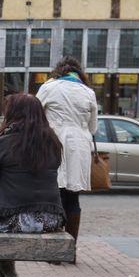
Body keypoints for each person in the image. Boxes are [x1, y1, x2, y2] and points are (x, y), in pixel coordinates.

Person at [0, 93, 65, 277]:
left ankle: (7, 274)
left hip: (13, 219)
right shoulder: (53, 141)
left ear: (13, 114)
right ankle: (8, 275)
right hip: (51, 219)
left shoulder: (5, 141)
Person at [35, 56, 98, 242]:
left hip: (53, 144)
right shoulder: (88, 92)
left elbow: (35, 114)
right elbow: (93, 128)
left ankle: (56, 247)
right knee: (73, 198)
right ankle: (71, 248)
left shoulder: (49, 87)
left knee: (54, 195)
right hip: (79, 147)